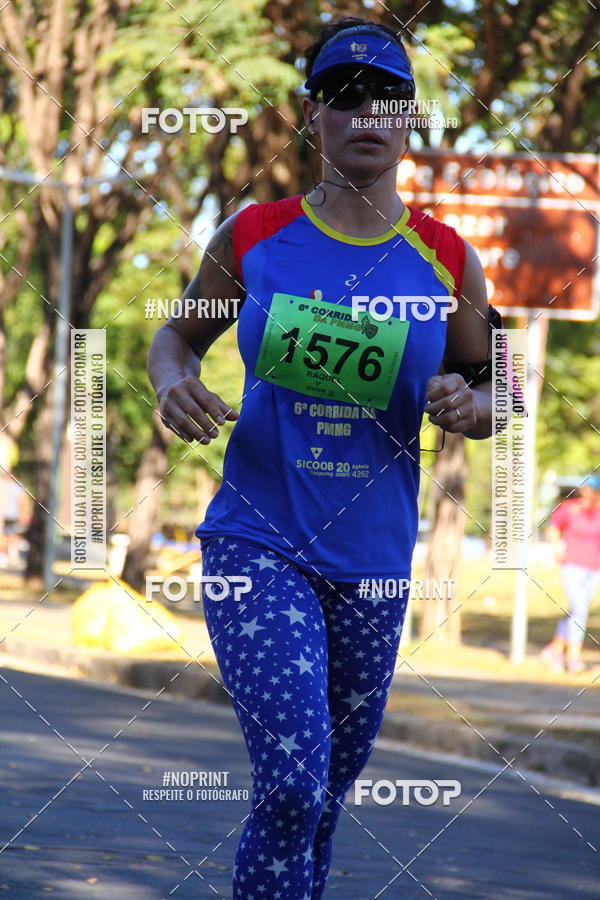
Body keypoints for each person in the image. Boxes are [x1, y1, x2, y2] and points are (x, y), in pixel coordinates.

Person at [148, 16, 500, 898]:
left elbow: (501, 385)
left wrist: (475, 401)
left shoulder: (448, 258)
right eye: (342, 93)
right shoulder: (255, 235)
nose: (365, 110)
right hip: (257, 543)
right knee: (295, 780)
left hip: (374, 562)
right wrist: (171, 383)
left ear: (411, 115)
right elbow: (176, 337)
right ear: (313, 115)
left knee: (324, 800)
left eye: (386, 93)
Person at [541, 474, 600, 674]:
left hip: (594, 568)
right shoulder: (570, 508)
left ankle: (554, 651)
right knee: (580, 608)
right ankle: (574, 657)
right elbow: (552, 529)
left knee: (576, 610)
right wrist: (557, 547)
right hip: (572, 565)